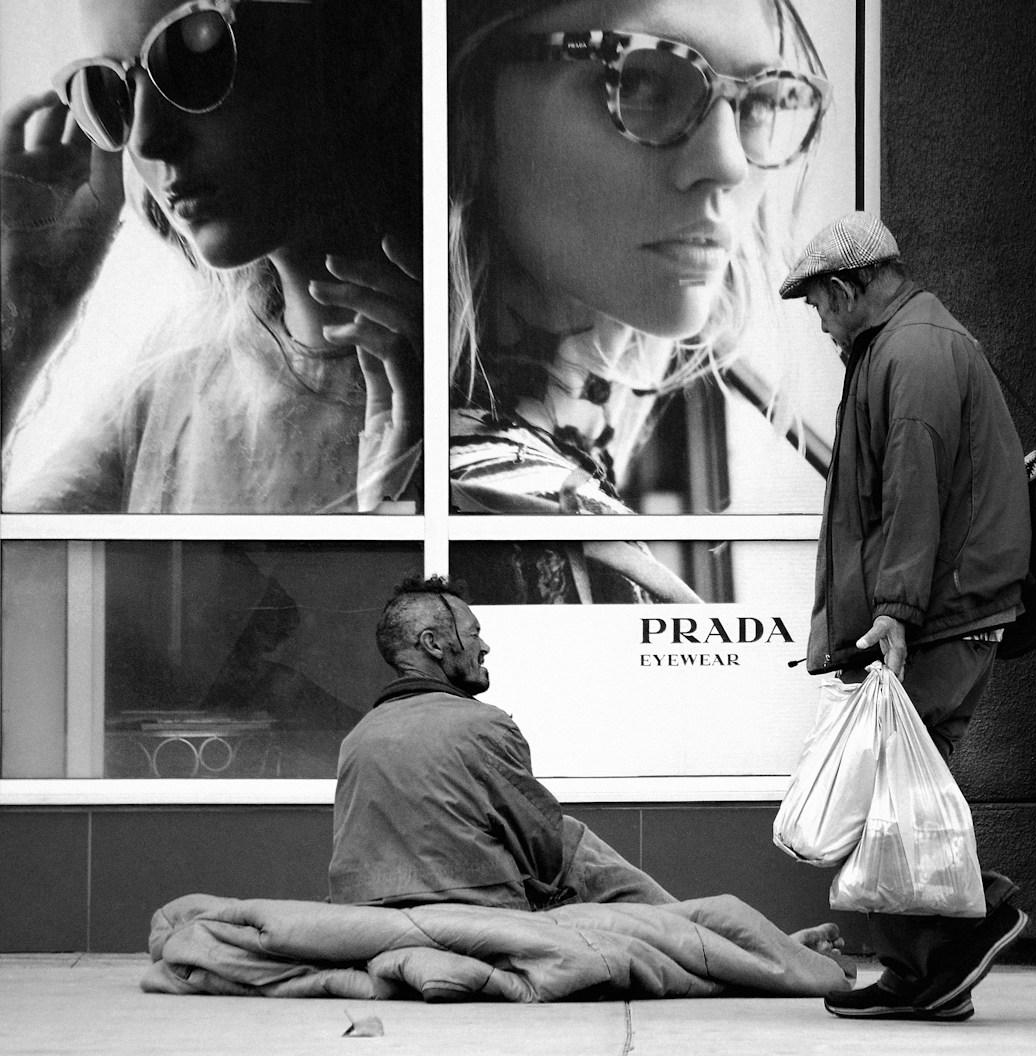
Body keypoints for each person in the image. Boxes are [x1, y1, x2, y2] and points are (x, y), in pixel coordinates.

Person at [445, 0, 833, 599]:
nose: (729, 164)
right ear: (466, 100)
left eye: (761, 101)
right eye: (641, 80)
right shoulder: (524, 526)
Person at [0, 0, 421, 513]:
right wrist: (26, 308)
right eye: (109, 93)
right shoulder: (168, 390)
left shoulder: (487, 384)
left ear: (362, 51)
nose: (146, 139)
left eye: (193, 58)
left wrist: (404, 510)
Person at [330, 573, 851, 973]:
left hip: (370, 921)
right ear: (433, 644)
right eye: (474, 634)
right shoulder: (481, 725)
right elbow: (545, 851)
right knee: (573, 842)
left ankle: (734, 940)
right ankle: (743, 945)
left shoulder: (358, 739)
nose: (485, 647)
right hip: (481, 919)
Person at [779, 211, 1033, 1021]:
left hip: (935, 616)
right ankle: (926, 973)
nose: (820, 323)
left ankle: (969, 921)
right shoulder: (896, 344)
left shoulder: (915, 351)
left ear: (846, 288)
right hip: (936, 611)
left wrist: (894, 609)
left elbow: (912, 490)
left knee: (887, 786)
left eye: (819, 305)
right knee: (894, 790)